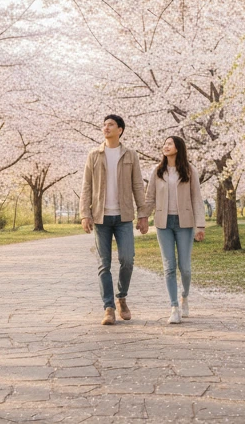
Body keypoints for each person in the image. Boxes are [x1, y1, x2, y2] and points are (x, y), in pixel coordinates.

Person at [80, 114, 150, 325]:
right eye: (104, 124)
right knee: (104, 264)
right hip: (101, 217)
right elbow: (86, 186)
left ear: (120, 129)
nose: (105, 127)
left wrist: (143, 214)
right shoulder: (94, 155)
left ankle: (121, 298)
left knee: (127, 259)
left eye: (110, 124)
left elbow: (138, 185)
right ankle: (108, 307)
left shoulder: (130, 155)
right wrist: (85, 213)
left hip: (124, 216)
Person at [145, 135, 205, 324]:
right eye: (164, 144)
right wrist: (143, 218)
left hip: (184, 223)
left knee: (185, 268)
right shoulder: (158, 171)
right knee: (169, 267)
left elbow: (196, 198)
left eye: (169, 144)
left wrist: (200, 225)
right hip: (163, 223)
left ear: (178, 148)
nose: (166, 146)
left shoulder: (189, 171)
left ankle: (184, 296)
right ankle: (174, 307)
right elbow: (149, 198)